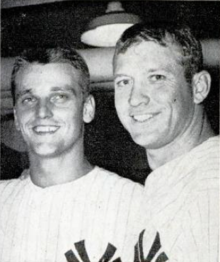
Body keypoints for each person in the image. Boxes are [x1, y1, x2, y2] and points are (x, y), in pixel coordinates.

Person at [0, 47, 145, 262]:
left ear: (87, 109)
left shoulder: (135, 204)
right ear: (17, 117)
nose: (42, 112)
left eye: (59, 97)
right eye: (29, 100)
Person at [113, 23, 219, 262]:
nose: (135, 99)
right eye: (124, 82)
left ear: (199, 87)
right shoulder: (175, 180)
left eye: (156, 77)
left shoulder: (211, 187)